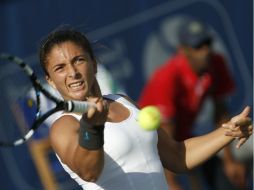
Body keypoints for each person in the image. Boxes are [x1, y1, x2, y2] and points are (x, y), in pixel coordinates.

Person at [38, 27, 252, 190]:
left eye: (79, 60)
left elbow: (177, 156)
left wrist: (228, 131)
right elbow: (89, 171)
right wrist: (93, 127)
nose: (72, 72)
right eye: (60, 68)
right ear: (50, 80)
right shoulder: (63, 126)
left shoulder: (123, 102)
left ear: (94, 64)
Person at [138, 18, 250, 189]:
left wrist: (229, 161)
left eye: (207, 43)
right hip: (152, 147)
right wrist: (171, 182)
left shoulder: (216, 62)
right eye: (198, 46)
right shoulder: (167, 78)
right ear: (184, 50)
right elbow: (167, 133)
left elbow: (220, 112)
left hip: (185, 138)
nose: (205, 50)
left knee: (229, 180)